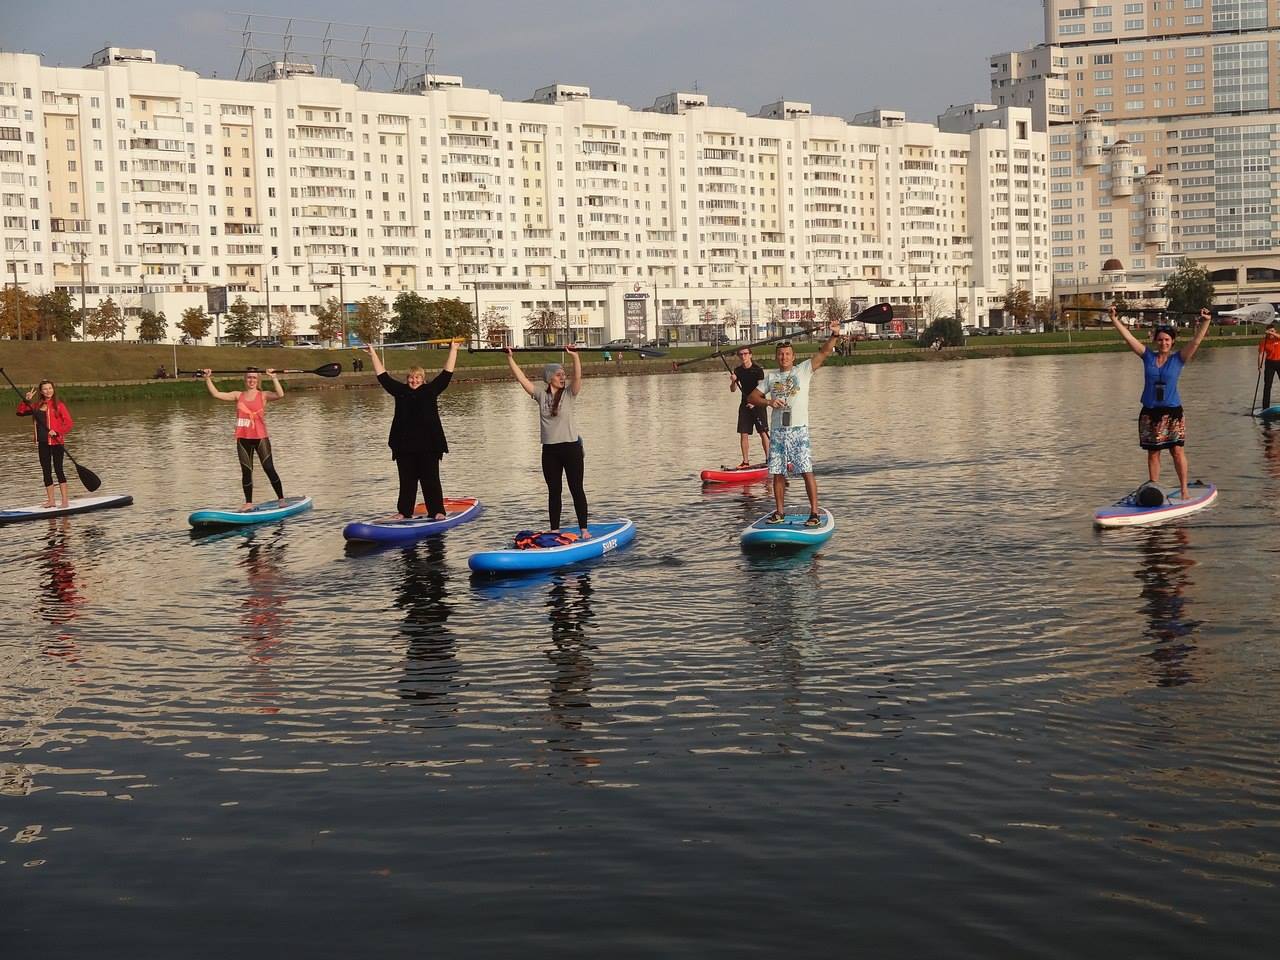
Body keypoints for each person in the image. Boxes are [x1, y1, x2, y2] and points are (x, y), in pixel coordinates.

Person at [1110, 304, 1212, 500]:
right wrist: (1115, 319)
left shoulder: (1179, 359)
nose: (1163, 343)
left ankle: (1184, 489)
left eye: (1167, 340)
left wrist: (1206, 322)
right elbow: (1128, 338)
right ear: (1155, 341)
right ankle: (1154, 490)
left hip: (1172, 413)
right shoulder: (1147, 356)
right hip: (1150, 413)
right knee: (1153, 453)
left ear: (1172, 342)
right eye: (1160, 340)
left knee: (1176, 450)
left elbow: (1196, 342)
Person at [747, 316, 843, 526]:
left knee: (806, 470)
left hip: (799, 430)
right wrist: (769, 402)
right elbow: (751, 397)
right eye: (780, 354)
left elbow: (824, 352)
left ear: (793, 357)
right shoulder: (771, 379)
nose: (784, 357)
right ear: (777, 357)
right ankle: (779, 512)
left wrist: (835, 334)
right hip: (779, 431)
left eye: (787, 354)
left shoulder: (804, 370)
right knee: (778, 473)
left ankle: (814, 513)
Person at [505, 345, 590, 539]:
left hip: (571, 448)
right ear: (550, 377)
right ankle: (554, 530)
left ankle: (584, 529)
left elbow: (577, 378)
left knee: (576, 488)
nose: (563, 377)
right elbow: (521, 379)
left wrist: (575, 357)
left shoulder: (569, 394)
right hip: (550, 451)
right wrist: (510, 358)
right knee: (554, 491)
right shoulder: (540, 395)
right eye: (559, 374)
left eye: (563, 374)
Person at [367, 339, 459, 519]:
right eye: (411, 377)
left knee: (431, 480)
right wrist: (373, 354)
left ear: (423, 379)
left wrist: (453, 349)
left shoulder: (430, 390)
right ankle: (404, 512)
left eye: (417, 378)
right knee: (407, 482)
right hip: (404, 446)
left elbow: (446, 374)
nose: (414, 380)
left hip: (429, 446)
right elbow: (383, 377)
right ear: (407, 379)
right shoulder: (400, 391)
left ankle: (437, 511)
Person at [201, 367, 286, 509]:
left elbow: (280, 394)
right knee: (246, 471)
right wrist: (207, 378)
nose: (251, 380)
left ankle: (281, 499)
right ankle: (248, 503)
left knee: (269, 468)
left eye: (254, 378)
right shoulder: (237, 395)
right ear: (245, 380)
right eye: (249, 377)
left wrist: (274, 377)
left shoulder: (263, 395)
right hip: (243, 438)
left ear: (258, 380)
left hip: (260, 437)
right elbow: (216, 394)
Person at [16, 379, 73, 509]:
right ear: (41, 391)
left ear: (53, 389)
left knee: (59, 470)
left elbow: (68, 423)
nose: (48, 391)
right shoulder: (36, 406)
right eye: (45, 389)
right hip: (42, 443)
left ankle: (64, 500)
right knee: (46, 471)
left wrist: (57, 431)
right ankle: (51, 501)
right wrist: (27, 400)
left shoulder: (59, 405)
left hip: (56, 442)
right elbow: (20, 412)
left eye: (50, 388)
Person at [728, 346, 769, 466]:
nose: (743, 356)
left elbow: (761, 389)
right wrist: (733, 381)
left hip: (758, 403)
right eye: (740, 354)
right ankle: (745, 462)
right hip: (745, 405)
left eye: (745, 354)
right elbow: (732, 390)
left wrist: (754, 402)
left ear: (750, 355)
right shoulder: (738, 371)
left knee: (763, 432)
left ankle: (769, 459)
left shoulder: (758, 370)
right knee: (743, 433)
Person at [1259, 322, 1280, 408]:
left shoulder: (1278, 338)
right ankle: (1265, 407)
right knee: (1267, 385)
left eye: (1273, 331)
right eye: (1269, 332)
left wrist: (1271, 332)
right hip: (1269, 363)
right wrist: (1259, 366)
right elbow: (1261, 354)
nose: (1271, 334)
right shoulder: (1264, 341)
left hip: (1279, 361)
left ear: (1275, 331)